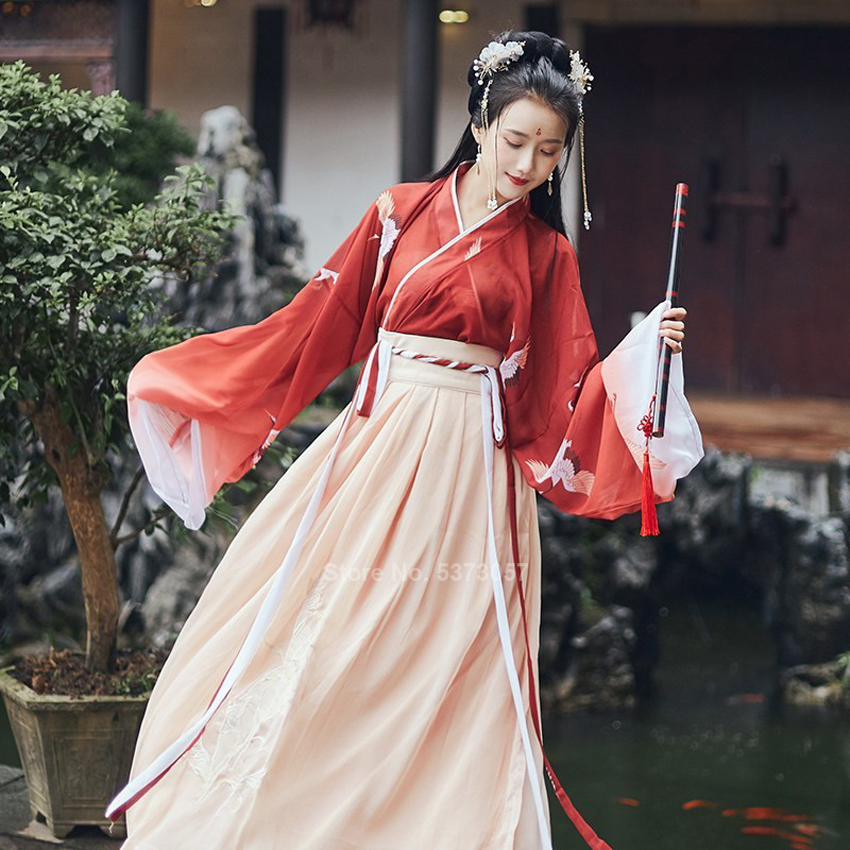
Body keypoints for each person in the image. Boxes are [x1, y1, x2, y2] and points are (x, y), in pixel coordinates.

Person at [106, 30, 702, 850]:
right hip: (381, 451)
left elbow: (568, 389)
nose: (528, 165)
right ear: (481, 124)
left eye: (549, 152)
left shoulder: (547, 255)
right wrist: (207, 385)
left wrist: (646, 355)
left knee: (446, 660)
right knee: (331, 633)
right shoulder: (399, 214)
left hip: (475, 476)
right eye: (516, 140)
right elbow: (317, 326)